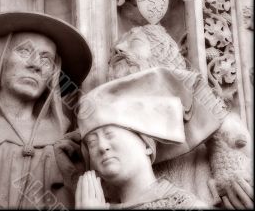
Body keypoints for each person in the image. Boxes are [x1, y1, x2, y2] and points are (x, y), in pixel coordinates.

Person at [108, 24, 253, 209]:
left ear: (162, 52)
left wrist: (232, 170)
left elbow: (233, 144)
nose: (119, 49)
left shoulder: (205, 111)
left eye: (134, 42)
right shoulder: (113, 133)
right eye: (114, 52)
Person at [0, 11, 92, 208]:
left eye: (46, 60)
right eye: (24, 51)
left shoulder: (65, 140)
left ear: (53, 75)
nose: (35, 65)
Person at [75, 67, 210, 209]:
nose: (102, 147)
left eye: (110, 135)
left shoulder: (183, 205)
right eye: (91, 143)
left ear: (146, 145)